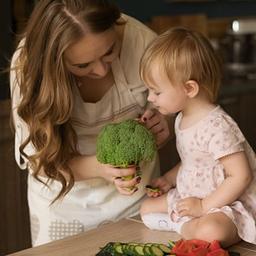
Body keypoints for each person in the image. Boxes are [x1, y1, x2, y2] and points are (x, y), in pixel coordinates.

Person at [10, 0, 171, 246]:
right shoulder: (28, 66)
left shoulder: (142, 42)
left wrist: (163, 120)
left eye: (109, 51)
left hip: (136, 199)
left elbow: (174, 100)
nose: (101, 71)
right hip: (62, 205)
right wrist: (101, 167)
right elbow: (40, 161)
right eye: (82, 65)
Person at [139, 27, 256, 247]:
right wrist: (169, 179)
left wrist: (203, 206)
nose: (150, 98)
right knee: (146, 209)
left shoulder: (217, 126)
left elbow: (241, 176)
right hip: (193, 195)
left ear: (189, 88)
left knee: (211, 230)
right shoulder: (181, 116)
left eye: (156, 91)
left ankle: (188, 225)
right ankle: (186, 224)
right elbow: (193, 160)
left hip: (226, 201)